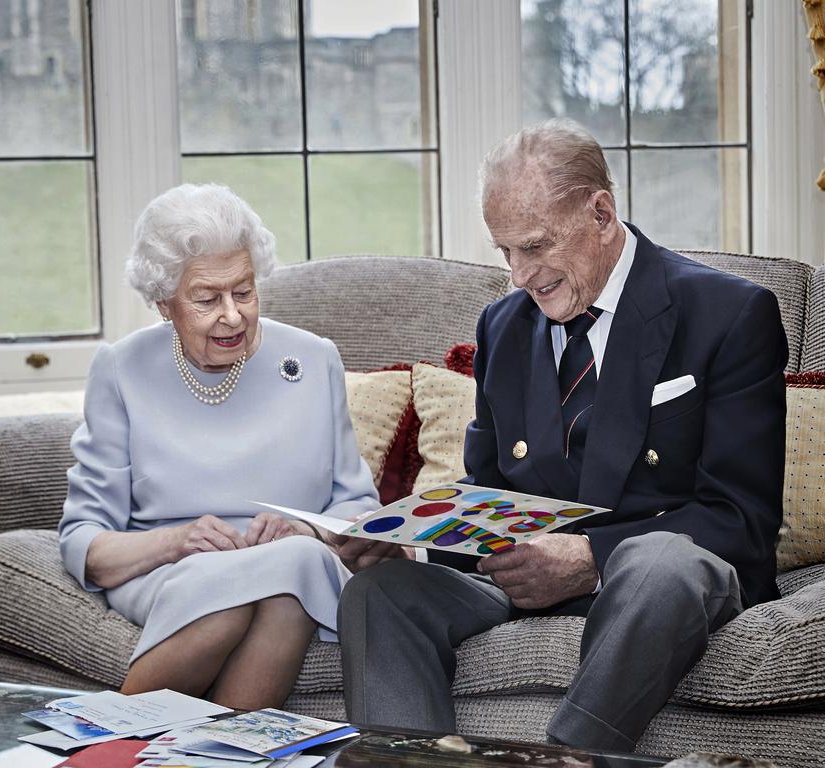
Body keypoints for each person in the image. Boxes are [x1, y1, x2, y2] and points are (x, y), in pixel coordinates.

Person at [335, 119, 787, 751]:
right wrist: (413, 543)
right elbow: (489, 490)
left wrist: (589, 560)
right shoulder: (504, 326)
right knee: (380, 593)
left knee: (661, 561)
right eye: (505, 252)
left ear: (601, 213)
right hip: (522, 583)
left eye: (536, 246)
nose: (520, 275)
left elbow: (741, 520)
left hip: (653, 589)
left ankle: (562, 761)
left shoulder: (729, 314)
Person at [59, 183, 378, 708]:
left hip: (292, 559)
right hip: (167, 567)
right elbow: (85, 541)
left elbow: (358, 507)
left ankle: (108, 748)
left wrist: (305, 527)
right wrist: (176, 542)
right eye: (207, 299)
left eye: (244, 291)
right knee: (246, 596)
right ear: (164, 303)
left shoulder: (313, 358)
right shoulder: (122, 368)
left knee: (290, 571)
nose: (232, 315)